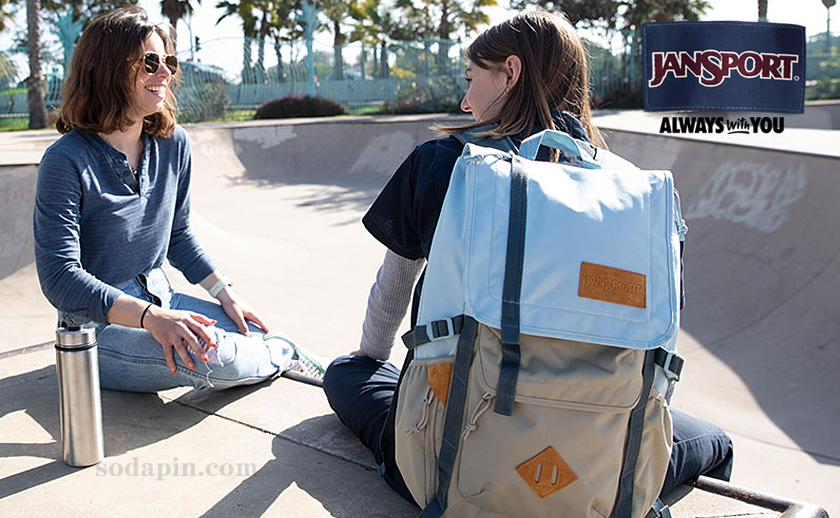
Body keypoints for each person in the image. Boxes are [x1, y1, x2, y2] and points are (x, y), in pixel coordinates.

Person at [323, 10, 733, 507]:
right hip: (598, 472)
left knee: (347, 372)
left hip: (446, 467)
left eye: (471, 78)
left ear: (511, 72)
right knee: (715, 442)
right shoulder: (630, 190)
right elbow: (659, 349)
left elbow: (393, 288)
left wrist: (369, 357)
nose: (465, 100)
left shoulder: (442, 162)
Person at [34, 7, 325, 392]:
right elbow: (59, 277)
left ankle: (283, 356)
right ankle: (282, 354)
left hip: (163, 298)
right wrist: (150, 317)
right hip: (97, 330)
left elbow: (179, 235)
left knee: (249, 328)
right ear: (107, 69)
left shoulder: (173, 144)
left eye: (168, 62)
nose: (165, 73)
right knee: (212, 355)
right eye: (149, 62)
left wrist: (225, 293)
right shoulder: (65, 160)